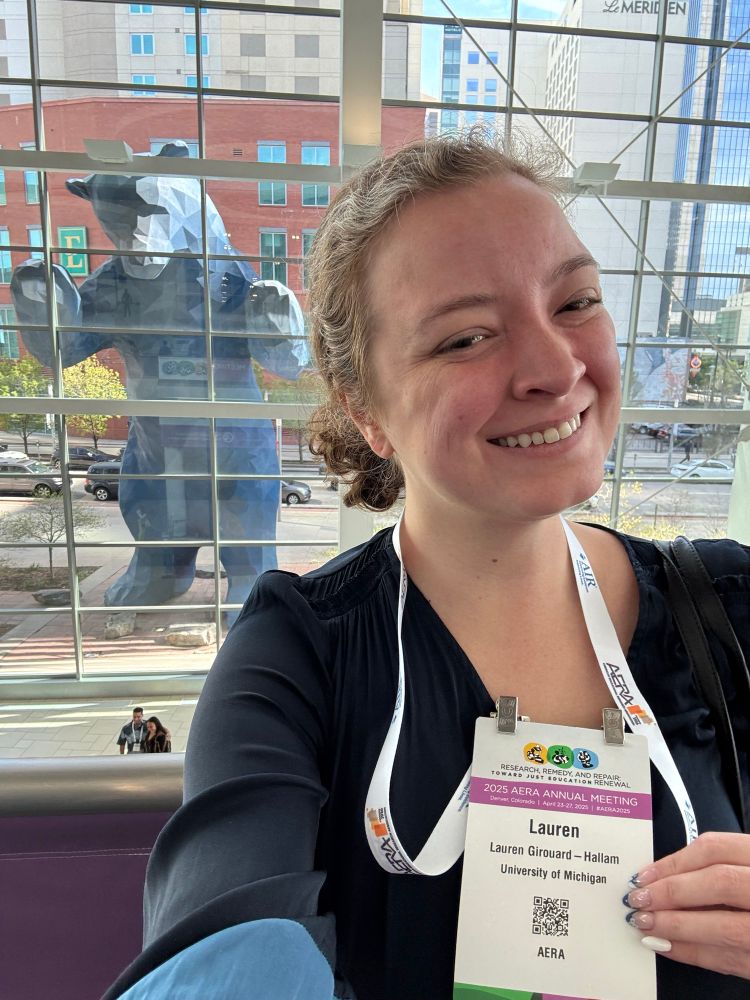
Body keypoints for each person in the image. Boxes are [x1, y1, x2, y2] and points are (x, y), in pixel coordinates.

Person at [105, 134, 750, 1000]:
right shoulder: (299, 659)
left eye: (576, 301)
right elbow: (225, 954)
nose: (556, 368)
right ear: (365, 410)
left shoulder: (728, 610)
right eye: (466, 338)